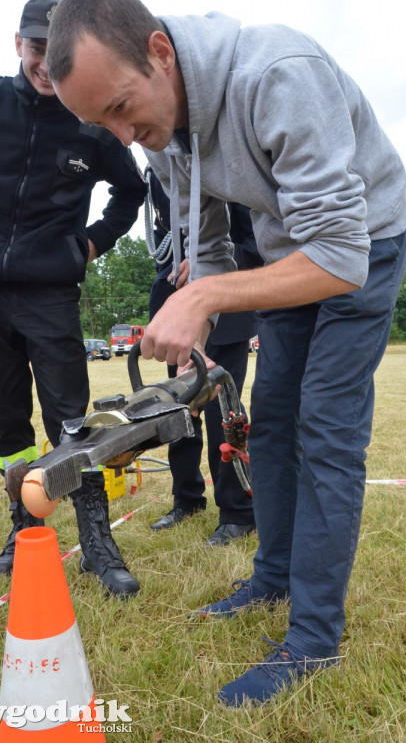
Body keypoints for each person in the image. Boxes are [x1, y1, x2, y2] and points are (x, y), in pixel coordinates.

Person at [46, 0, 406, 706]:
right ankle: (272, 575)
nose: (122, 136)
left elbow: (340, 257)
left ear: (159, 53)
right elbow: (205, 241)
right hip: (286, 257)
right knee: (270, 420)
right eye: (102, 124)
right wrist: (197, 324)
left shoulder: (277, 75)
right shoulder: (160, 127)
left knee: (326, 431)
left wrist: (206, 297)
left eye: (119, 107)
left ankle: (312, 640)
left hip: (360, 246)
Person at [0, 0, 147, 599]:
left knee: (71, 419)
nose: (45, 64)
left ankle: (96, 540)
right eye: (37, 48)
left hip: (51, 290)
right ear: (19, 44)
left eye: (55, 52)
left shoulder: (90, 122)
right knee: (8, 416)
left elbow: (131, 192)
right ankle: (24, 528)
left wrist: (87, 246)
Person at [146, 167, 260, 545]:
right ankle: (187, 499)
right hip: (179, 312)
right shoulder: (161, 169)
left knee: (222, 413)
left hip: (226, 308)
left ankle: (238, 512)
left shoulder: (227, 164)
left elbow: (254, 241)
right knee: (180, 411)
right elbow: (167, 238)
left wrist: (209, 262)